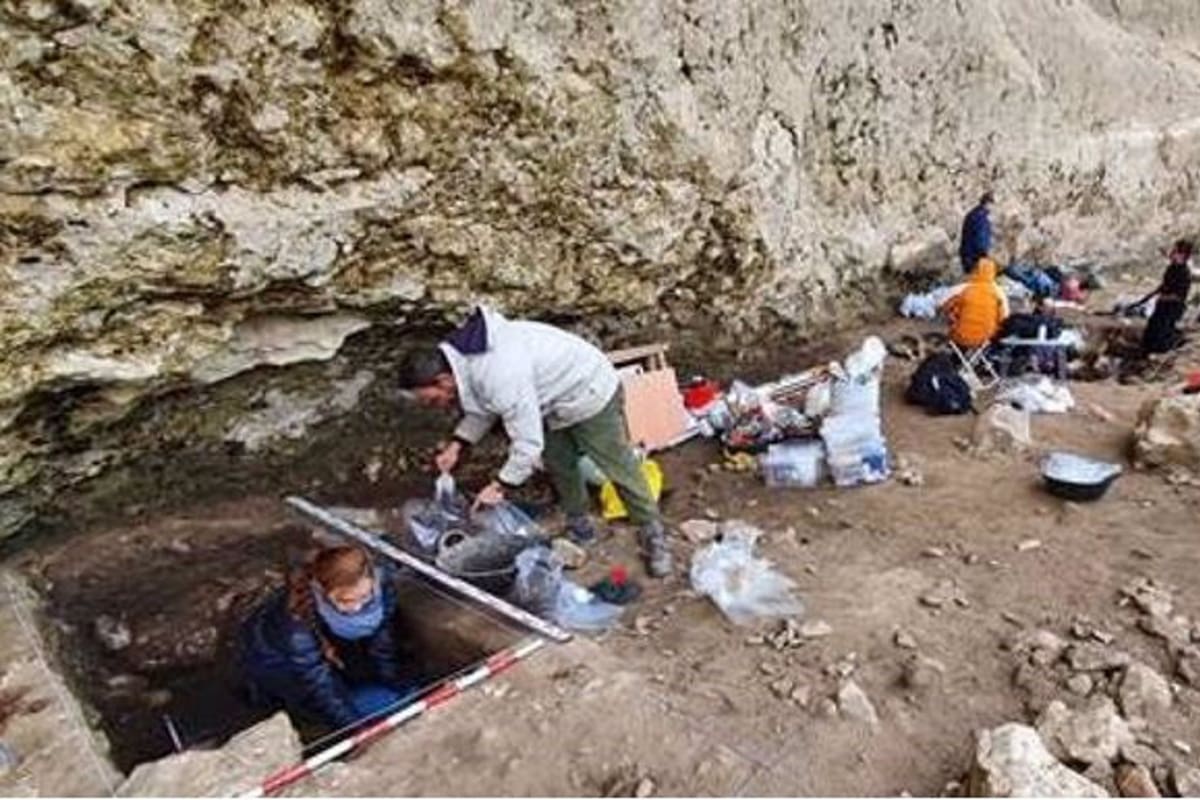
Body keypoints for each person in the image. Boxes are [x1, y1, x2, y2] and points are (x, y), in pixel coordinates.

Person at [398, 306, 673, 578]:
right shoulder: (462, 359)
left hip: (589, 390)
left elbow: (528, 444)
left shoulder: (499, 373)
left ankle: (652, 532)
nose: (435, 405)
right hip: (550, 401)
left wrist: (501, 485)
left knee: (616, 464)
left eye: (431, 399)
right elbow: (483, 407)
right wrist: (458, 443)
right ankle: (580, 528)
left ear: (443, 380)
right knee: (560, 465)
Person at [238, 545, 410, 732]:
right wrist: (357, 729)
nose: (357, 608)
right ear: (321, 591)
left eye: (364, 597)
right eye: (345, 601)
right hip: (275, 659)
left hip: (324, 639)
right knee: (306, 704)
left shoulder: (381, 585)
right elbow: (322, 686)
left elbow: (382, 637)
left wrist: (393, 680)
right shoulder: (296, 629)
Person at [1132, 239, 1193, 355]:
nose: (1172, 253)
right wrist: (1152, 294)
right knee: (1151, 332)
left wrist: (1162, 297)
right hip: (1163, 305)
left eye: (1175, 251)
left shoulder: (1184, 274)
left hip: (1172, 308)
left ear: (1183, 255)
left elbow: (1179, 296)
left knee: (1161, 335)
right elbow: (1165, 284)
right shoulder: (1172, 268)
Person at [941, 257, 1009, 348]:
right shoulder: (998, 293)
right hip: (987, 338)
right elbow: (1004, 317)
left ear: (975, 271)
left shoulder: (964, 289)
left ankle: (959, 356)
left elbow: (946, 306)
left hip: (962, 336)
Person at [959, 191, 994, 274]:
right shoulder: (981, 217)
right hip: (974, 257)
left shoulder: (972, 214)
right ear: (989, 203)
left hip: (967, 255)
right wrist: (984, 253)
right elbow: (980, 237)